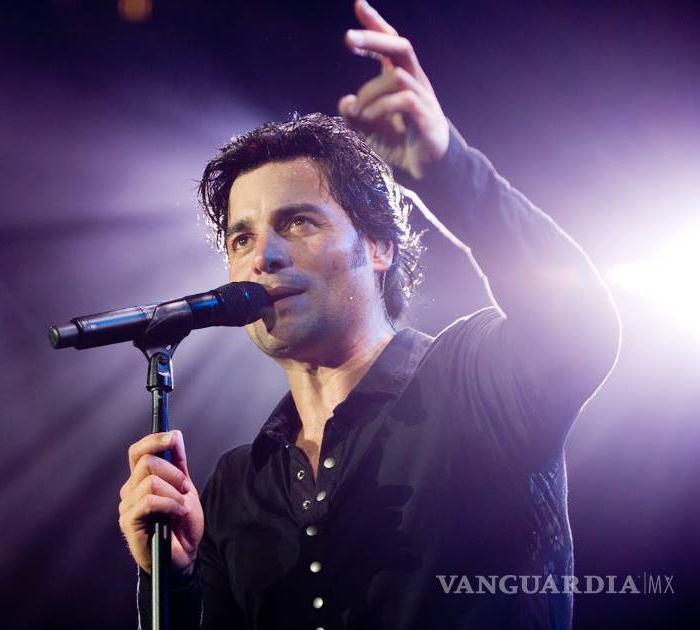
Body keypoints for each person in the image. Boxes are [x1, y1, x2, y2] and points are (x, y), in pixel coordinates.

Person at [115, 1, 621, 629]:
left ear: (379, 246)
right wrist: (172, 581)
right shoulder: (232, 485)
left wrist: (447, 169)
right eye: (241, 238)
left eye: (298, 222)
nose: (262, 257)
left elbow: (579, 323)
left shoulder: (474, 375)